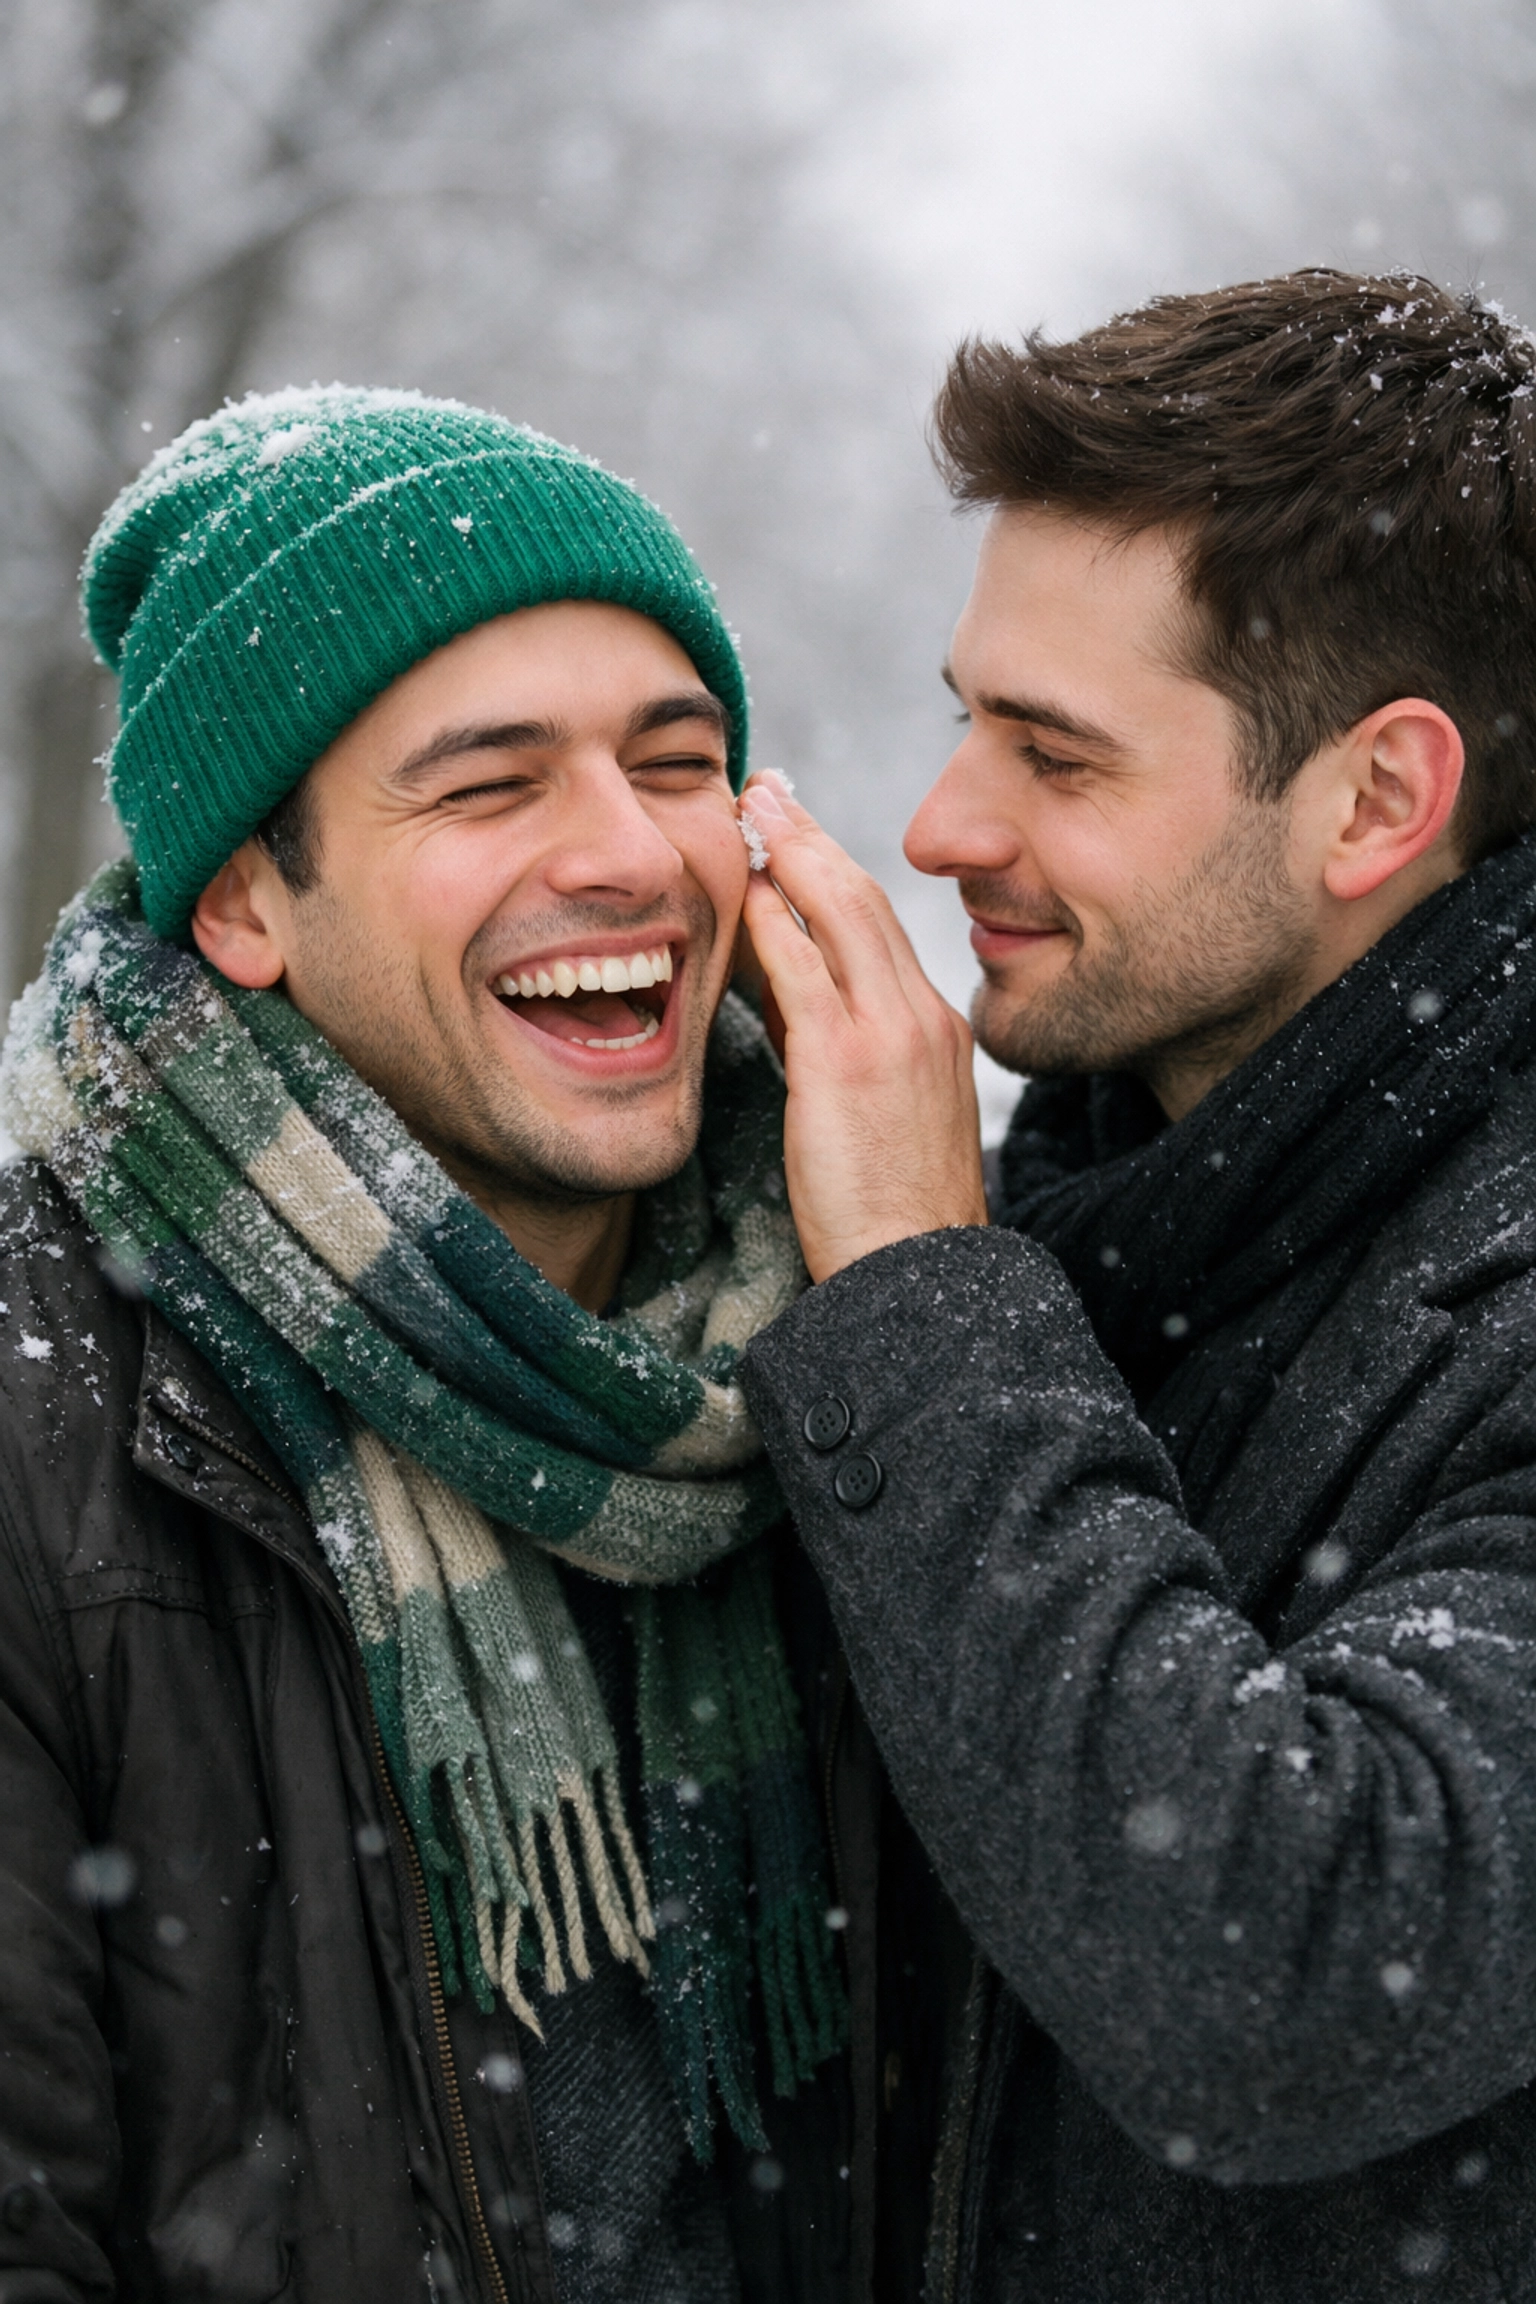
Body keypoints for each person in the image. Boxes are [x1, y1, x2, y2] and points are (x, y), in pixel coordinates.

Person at [0, 386, 900, 2304]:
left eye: (676, 762)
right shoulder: (37, 1401)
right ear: (245, 895)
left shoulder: (873, 1308)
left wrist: (934, 1311)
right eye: (489, 786)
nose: (633, 857)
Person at [735, 272, 1536, 2302]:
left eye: (1056, 757)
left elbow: (1291, 1969)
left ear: (1376, 799)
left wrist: (924, 1288)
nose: (939, 825)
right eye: (959, 717)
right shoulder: (1101, 1205)